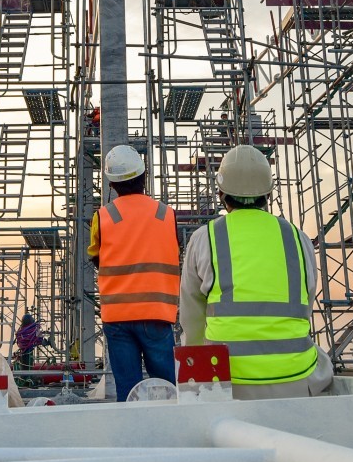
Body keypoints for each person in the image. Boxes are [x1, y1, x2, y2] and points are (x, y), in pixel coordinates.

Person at [180, 145, 334, 399]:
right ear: (268, 193)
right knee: (321, 362)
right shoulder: (298, 237)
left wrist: (198, 376)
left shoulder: (205, 237)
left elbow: (192, 316)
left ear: (221, 193)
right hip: (294, 374)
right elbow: (304, 304)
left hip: (227, 377)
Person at [87, 144, 179, 402]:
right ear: (144, 175)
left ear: (111, 184)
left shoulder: (103, 216)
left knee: (128, 393)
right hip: (157, 313)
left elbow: (96, 257)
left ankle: (132, 428)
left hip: (118, 316)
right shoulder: (166, 214)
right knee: (167, 391)